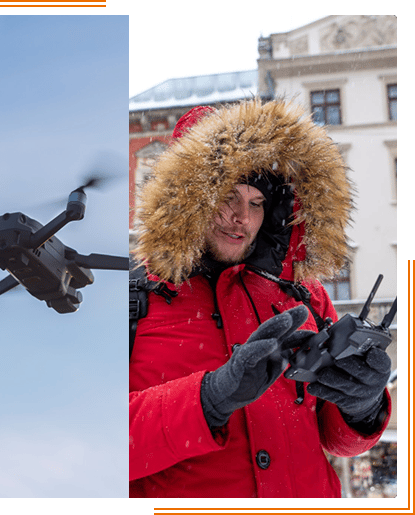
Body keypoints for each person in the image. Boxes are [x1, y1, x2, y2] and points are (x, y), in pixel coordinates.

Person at [129, 98, 392, 498]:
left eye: (256, 203)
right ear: (189, 199)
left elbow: (338, 442)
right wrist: (207, 399)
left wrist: (363, 406)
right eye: (228, 197)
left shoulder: (304, 295)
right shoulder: (133, 298)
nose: (243, 218)